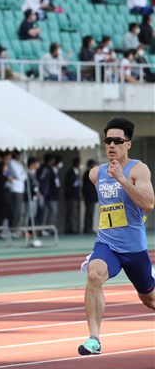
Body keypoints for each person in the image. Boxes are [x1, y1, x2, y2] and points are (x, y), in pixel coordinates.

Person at [79, 117, 154, 356]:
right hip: (107, 244)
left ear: (128, 144)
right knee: (95, 273)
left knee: (150, 300)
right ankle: (94, 339)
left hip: (134, 249)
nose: (111, 145)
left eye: (117, 140)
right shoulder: (95, 174)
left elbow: (149, 204)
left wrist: (122, 179)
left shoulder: (138, 169)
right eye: (107, 140)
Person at [82, 159, 98, 234]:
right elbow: (87, 187)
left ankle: (89, 228)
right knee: (89, 213)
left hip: (91, 197)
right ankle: (87, 228)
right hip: (89, 197)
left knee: (91, 213)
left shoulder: (90, 173)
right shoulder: (87, 174)